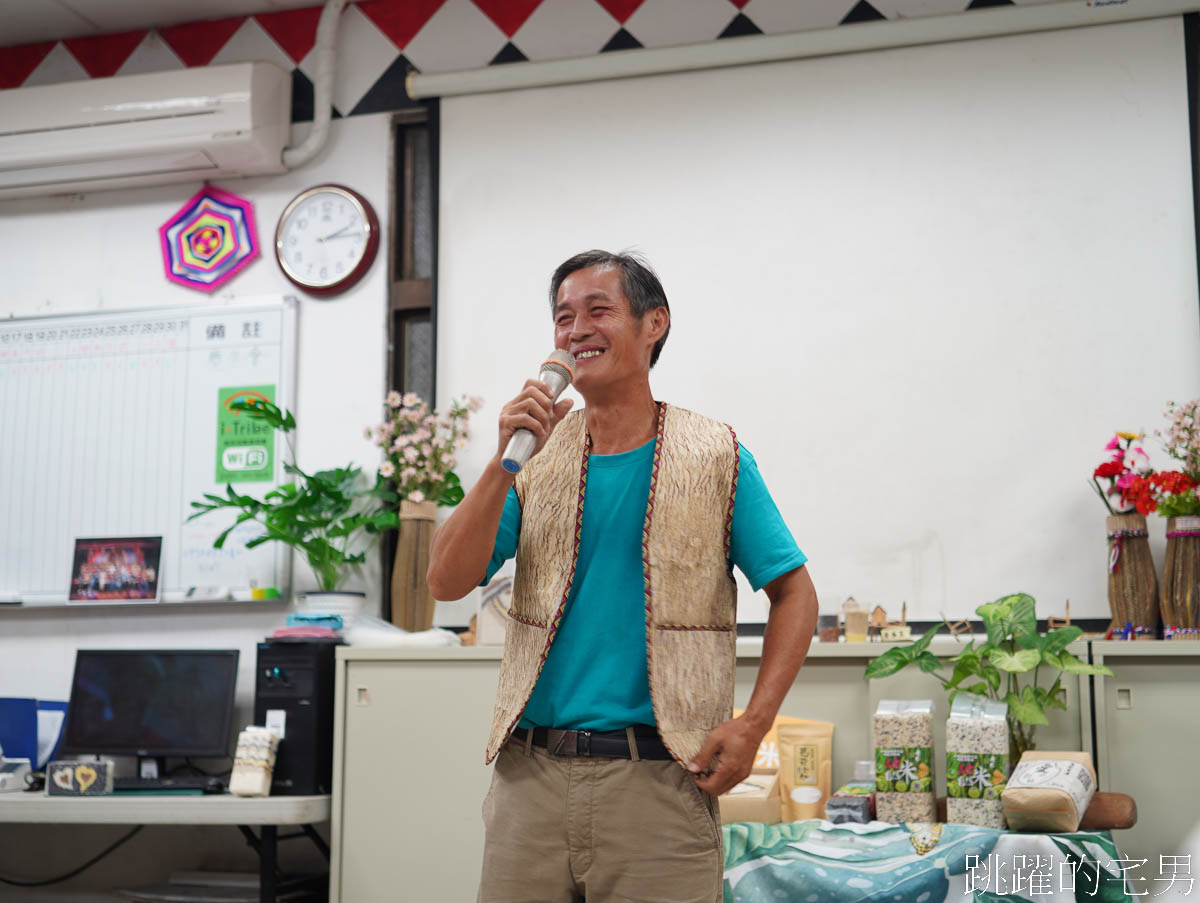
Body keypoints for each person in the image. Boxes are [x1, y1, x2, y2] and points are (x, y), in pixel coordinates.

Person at [427, 250, 818, 903]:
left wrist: (754, 723)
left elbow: (794, 592)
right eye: (562, 317)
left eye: (598, 310)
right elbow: (444, 580)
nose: (576, 329)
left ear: (653, 324)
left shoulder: (714, 453)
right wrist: (503, 462)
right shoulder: (535, 458)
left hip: (659, 786)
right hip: (529, 781)